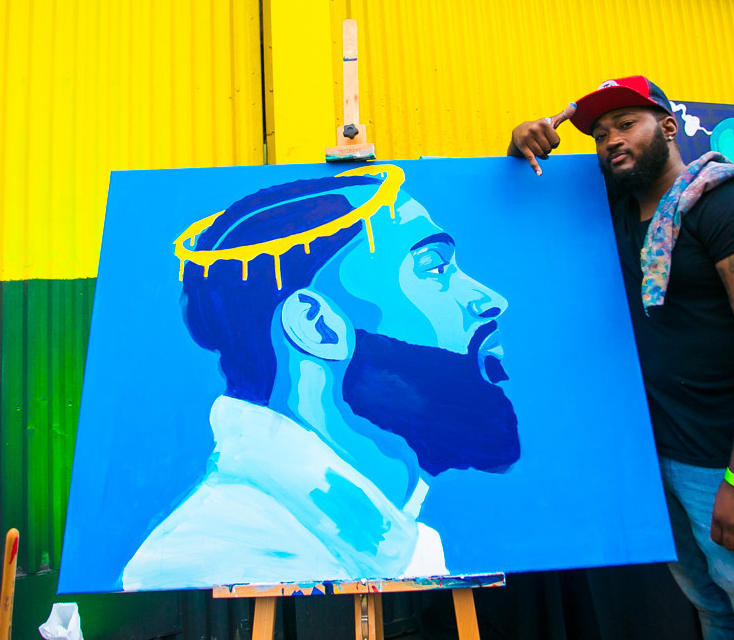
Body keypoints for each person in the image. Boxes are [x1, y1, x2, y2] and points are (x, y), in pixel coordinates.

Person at [508, 76, 734, 638]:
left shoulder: (733, 204)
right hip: (658, 454)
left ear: (669, 127)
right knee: (713, 609)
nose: (612, 140)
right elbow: (525, 198)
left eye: (627, 124)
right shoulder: (618, 208)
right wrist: (520, 142)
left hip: (729, 459)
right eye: (600, 134)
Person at [122, 165, 520, 590]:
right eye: (434, 268)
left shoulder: (393, 546)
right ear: (317, 327)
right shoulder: (225, 558)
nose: (491, 300)